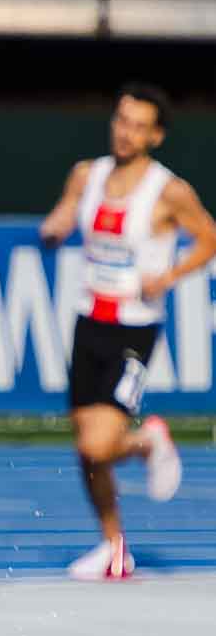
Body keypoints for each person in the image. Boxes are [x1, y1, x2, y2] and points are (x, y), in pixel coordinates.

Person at [40, 83, 216, 580]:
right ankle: (114, 546)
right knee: (85, 447)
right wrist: (53, 228)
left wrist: (170, 275)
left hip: (134, 328)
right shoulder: (87, 174)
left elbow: (209, 238)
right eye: (121, 120)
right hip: (87, 318)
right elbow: (64, 214)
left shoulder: (169, 190)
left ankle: (149, 440)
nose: (126, 132)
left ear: (155, 136)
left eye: (138, 126)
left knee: (101, 445)